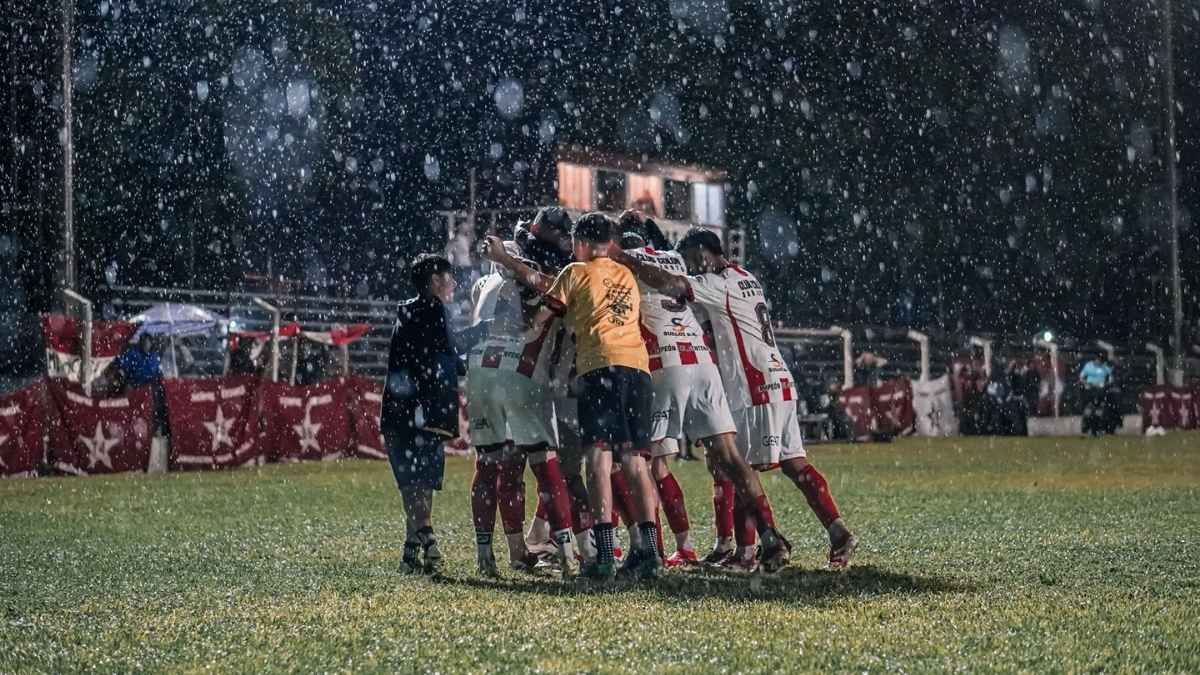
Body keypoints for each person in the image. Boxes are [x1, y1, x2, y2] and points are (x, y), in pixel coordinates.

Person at [612, 227, 858, 570]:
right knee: (792, 463)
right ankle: (837, 531)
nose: (693, 270)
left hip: (752, 383)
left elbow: (675, 286)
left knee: (736, 465)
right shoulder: (747, 277)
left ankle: (749, 552)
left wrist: (627, 260)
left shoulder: (719, 283)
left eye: (694, 262)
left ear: (703, 253)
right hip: (779, 377)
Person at [483, 212, 663, 581]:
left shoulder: (577, 272)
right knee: (634, 461)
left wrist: (505, 260)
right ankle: (649, 550)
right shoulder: (626, 274)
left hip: (600, 368)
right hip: (638, 369)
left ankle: (604, 555)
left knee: (597, 458)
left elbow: (542, 290)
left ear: (580, 242)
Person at [466, 238, 578, 579]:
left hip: (480, 370)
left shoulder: (484, 283)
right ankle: (570, 557)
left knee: (490, 464)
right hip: (523, 371)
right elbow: (548, 292)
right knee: (546, 465)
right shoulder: (546, 280)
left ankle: (493, 555)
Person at [617, 218, 725, 568]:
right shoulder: (674, 259)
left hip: (662, 363)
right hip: (700, 358)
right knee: (724, 458)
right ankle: (699, 545)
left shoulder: (624, 266)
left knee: (646, 468)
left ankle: (655, 551)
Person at [381, 253, 461, 575]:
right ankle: (429, 541)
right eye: (448, 277)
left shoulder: (406, 311)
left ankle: (410, 553)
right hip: (423, 411)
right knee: (421, 481)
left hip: (398, 411)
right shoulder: (434, 310)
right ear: (434, 282)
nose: (453, 283)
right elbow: (445, 358)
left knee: (411, 483)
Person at [1079, 351, 1114, 435]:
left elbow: (1111, 379)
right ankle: (1085, 427)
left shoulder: (1105, 368)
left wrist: (1105, 384)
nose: (1099, 362)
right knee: (1089, 409)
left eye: (1101, 360)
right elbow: (1081, 377)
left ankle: (1096, 428)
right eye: (1098, 360)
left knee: (1099, 410)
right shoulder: (1088, 366)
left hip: (1100, 391)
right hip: (1090, 390)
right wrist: (1087, 383)